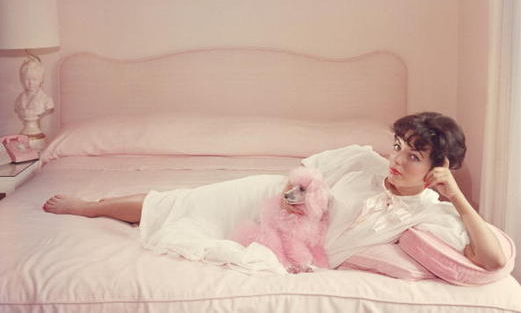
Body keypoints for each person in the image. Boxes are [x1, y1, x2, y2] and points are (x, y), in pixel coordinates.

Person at [42, 112, 507, 272]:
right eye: (398, 146)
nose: (396, 159)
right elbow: (305, 170)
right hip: (267, 204)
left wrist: (456, 199)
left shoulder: (427, 213)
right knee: (179, 202)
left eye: (412, 156)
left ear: (437, 169)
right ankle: (91, 207)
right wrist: (293, 196)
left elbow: (491, 261)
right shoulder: (364, 160)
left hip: (293, 250)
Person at [15, 56, 54, 137]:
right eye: (27, 79)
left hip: (35, 131)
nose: (31, 83)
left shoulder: (46, 100)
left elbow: (48, 107)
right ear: (22, 80)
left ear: (41, 80)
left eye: (34, 79)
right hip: (25, 131)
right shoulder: (19, 99)